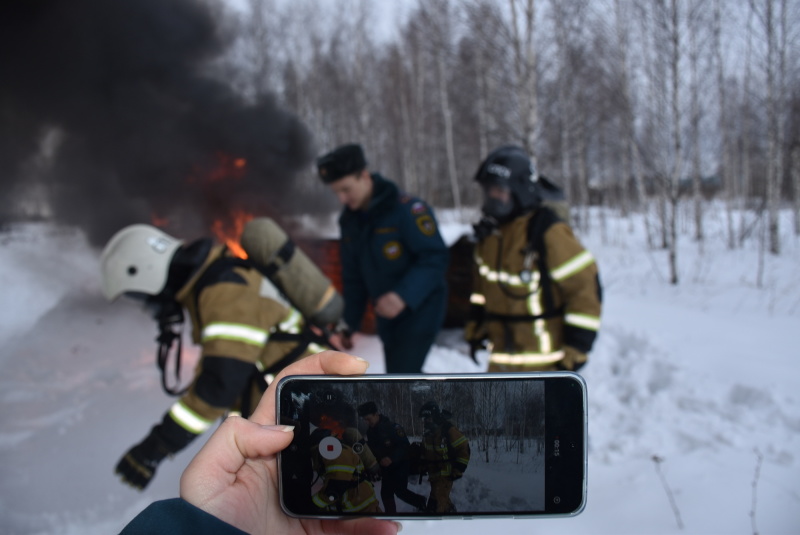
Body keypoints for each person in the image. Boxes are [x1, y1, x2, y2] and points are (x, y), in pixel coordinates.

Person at [101, 224, 324, 490]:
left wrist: (156, 447)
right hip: (286, 413)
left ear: (149, 273)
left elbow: (219, 386)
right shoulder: (215, 279)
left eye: (141, 296)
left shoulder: (227, 291)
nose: (150, 305)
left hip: (309, 413)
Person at [120, 350, 402, 535]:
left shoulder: (330, 444)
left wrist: (310, 501)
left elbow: (338, 482)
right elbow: (363, 461)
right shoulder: (340, 438)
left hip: (353, 504)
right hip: (360, 504)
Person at [464, 145, 602, 372]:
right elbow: (483, 289)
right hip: (500, 366)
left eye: (500, 191)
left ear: (520, 190)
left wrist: (577, 348)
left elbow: (584, 289)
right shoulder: (489, 237)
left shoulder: (548, 233)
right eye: (489, 190)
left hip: (546, 368)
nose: (492, 197)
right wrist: (476, 327)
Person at [316, 143, 449, 373]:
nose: (341, 199)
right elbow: (353, 278)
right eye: (336, 192)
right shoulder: (349, 222)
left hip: (420, 309)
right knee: (398, 377)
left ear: (364, 176)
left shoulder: (405, 210)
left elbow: (435, 257)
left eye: (346, 189)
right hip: (387, 317)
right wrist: (348, 324)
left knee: (402, 378)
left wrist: (403, 296)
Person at [358, 401, 428, 513]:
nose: (367, 422)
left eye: (368, 418)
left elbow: (404, 446)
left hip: (400, 464)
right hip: (385, 467)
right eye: (365, 420)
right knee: (386, 493)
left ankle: (421, 502)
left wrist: (391, 458)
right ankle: (390, 515)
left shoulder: (392, 427)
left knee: (400, 491)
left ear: (376, 414)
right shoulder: (370, 432)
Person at [309, 427, 383, 514]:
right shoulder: (335, 453)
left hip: (361, 510)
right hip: (354, 509)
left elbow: (336, 487)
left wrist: (311, 505)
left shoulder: (337, 453)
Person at [416, 400, 470, 513]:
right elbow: (425, 449)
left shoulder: (448, 430)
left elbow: (464, 448)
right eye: (424, 419)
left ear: (435, 416)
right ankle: (450, 511)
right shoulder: (428, 431)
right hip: (434, 474)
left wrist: (459, 469)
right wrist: (422, 463)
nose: (425, 421)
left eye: (428, 418)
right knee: (439, 499)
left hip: (446, 474)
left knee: (437, 505)